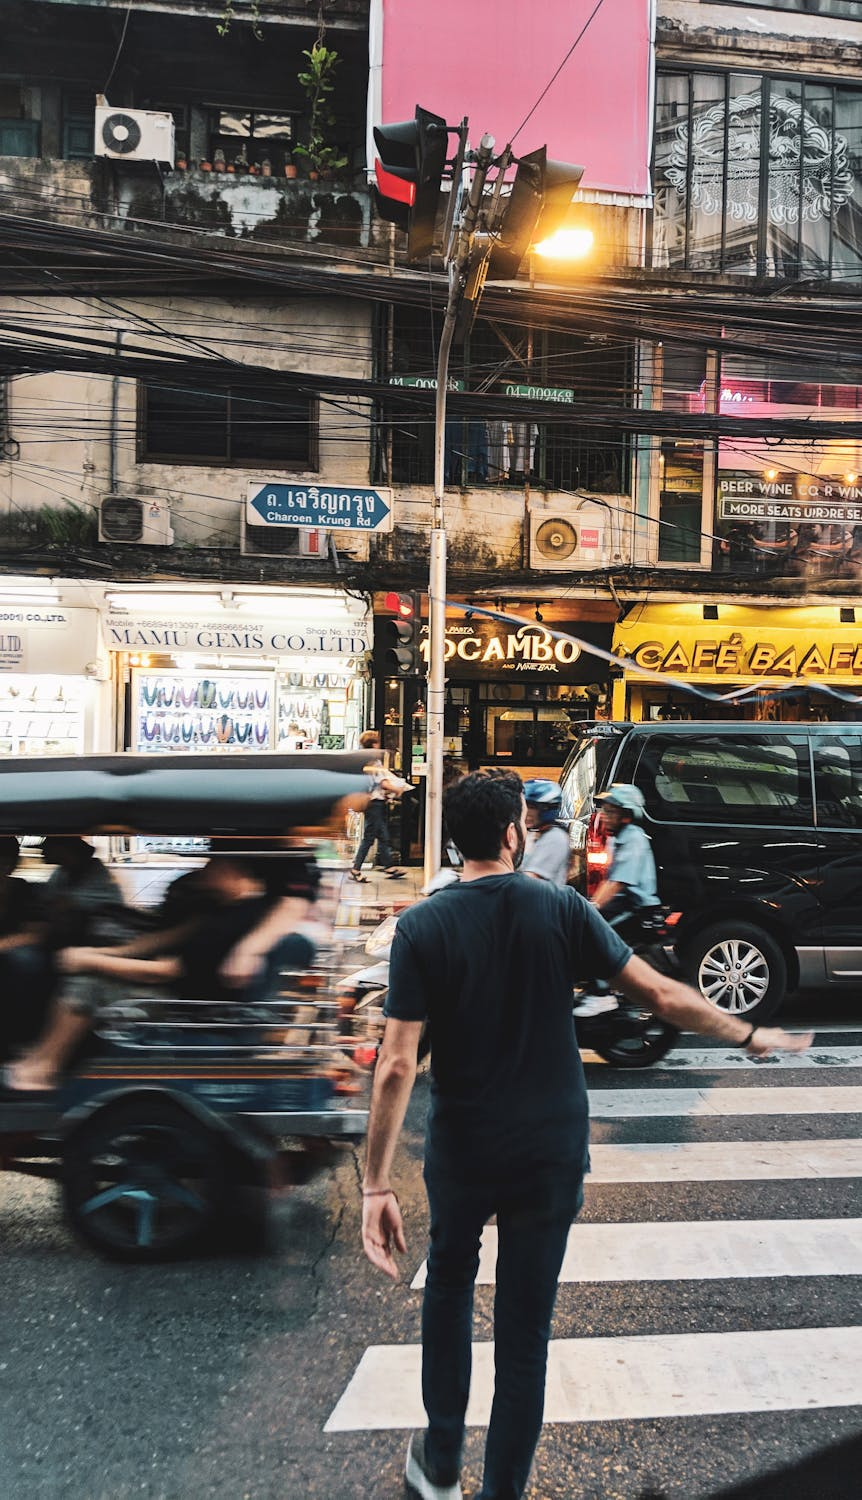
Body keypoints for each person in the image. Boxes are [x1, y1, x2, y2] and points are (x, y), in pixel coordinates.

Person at [360, 770, 811, 1500]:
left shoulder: (423, 926)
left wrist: (376, 1183)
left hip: (465, 1148)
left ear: (457, 841)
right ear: (513, 833)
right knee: (524, 1335)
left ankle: (440, 1462)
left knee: (448, 1289)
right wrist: (747, 1033)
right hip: (549, 1150)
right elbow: (659, 994)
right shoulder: (560, 907)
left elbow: (396, 1064)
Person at [5, 839, 319, 1091]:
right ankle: (39, 1055)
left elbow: (165, 971)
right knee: (87, 971)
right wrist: (102, 952)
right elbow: (161, 940)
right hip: (175, 994)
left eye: (213, 863)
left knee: (89, 983)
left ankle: (44, 1069)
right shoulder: (220, 910)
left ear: (234, 872)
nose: (204, 869)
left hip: (183, 1007)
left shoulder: (238, 919)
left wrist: (92, 960)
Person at [575, 782, 660, 1016]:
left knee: (596, 935)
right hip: (622, 903)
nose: (604, 816)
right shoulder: (617, 837)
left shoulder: (634, 838)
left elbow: (618, 882)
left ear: (626, 815)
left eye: (611, 811)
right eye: (605, 810)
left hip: (637, 908)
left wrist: (592, 908)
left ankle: (602, 995)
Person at [349, 729, 411, 882]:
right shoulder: (374, 762)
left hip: (371, 802)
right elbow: (382, 783)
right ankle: (355, 869)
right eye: (377, 741)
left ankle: (389, 867)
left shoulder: (362, 760)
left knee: (382, 836)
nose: (379, 744)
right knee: (370, 837)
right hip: (374, 804)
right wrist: (397, 789)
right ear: (373, 744)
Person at [521, 778, 570, 887]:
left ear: (547, 809)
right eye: (525, 805)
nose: (527, 812)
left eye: (532, 807)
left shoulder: (555, 838)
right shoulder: (532, 833)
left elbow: (531, 880)